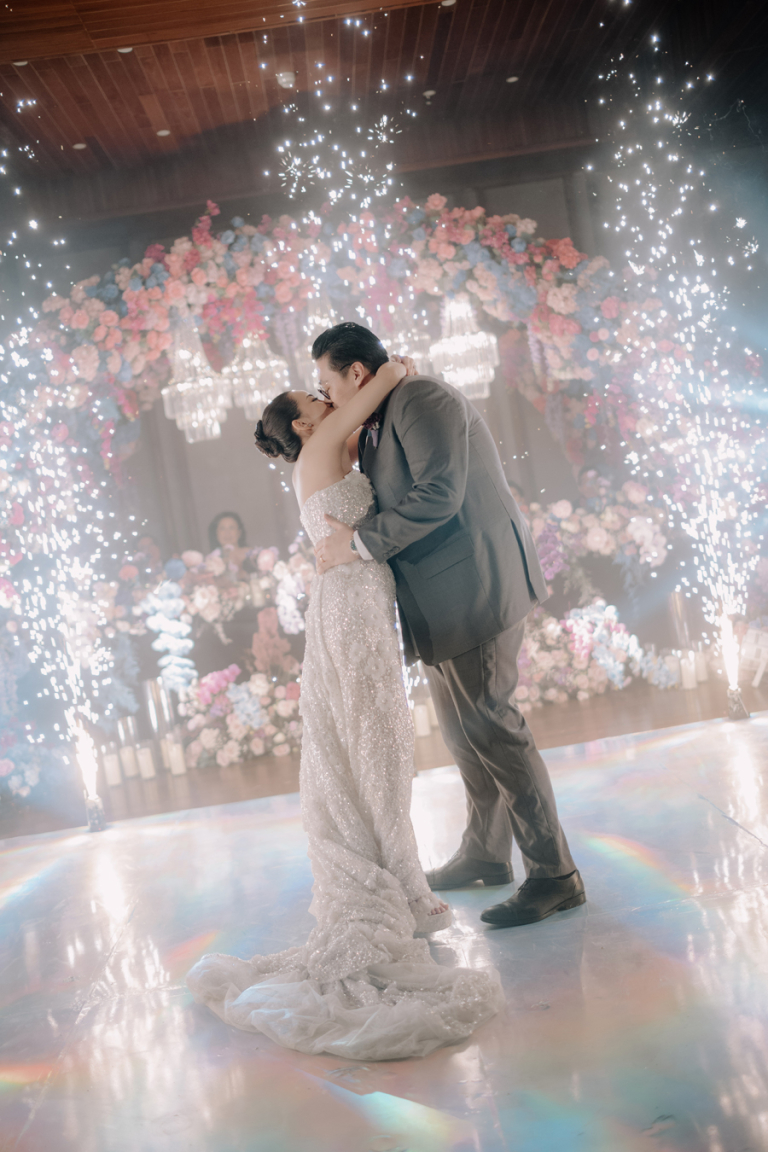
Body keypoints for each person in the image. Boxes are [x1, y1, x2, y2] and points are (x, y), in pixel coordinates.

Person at [186, 353, 503, 1061]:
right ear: (303, 424)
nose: (326, 398)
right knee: (378, 739)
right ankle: (407, 887)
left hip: (355, 598)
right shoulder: (323, 441)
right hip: (353, 603)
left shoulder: (327, 450)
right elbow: (383, 380)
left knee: (373, 738)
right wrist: (391, 368)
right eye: (316, 395)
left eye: (324, 388)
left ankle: (398, 873)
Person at [314, 322, 585, 929]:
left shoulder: (421, 397)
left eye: (327, 383)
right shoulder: (383, 414)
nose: (327, 396)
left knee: (493, 727)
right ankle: (485, 853)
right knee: (465, 734)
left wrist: (356, 545)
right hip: (440, 599)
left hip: (474, 586)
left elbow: (440, 493)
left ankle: (555, 875)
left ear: (355, 372)